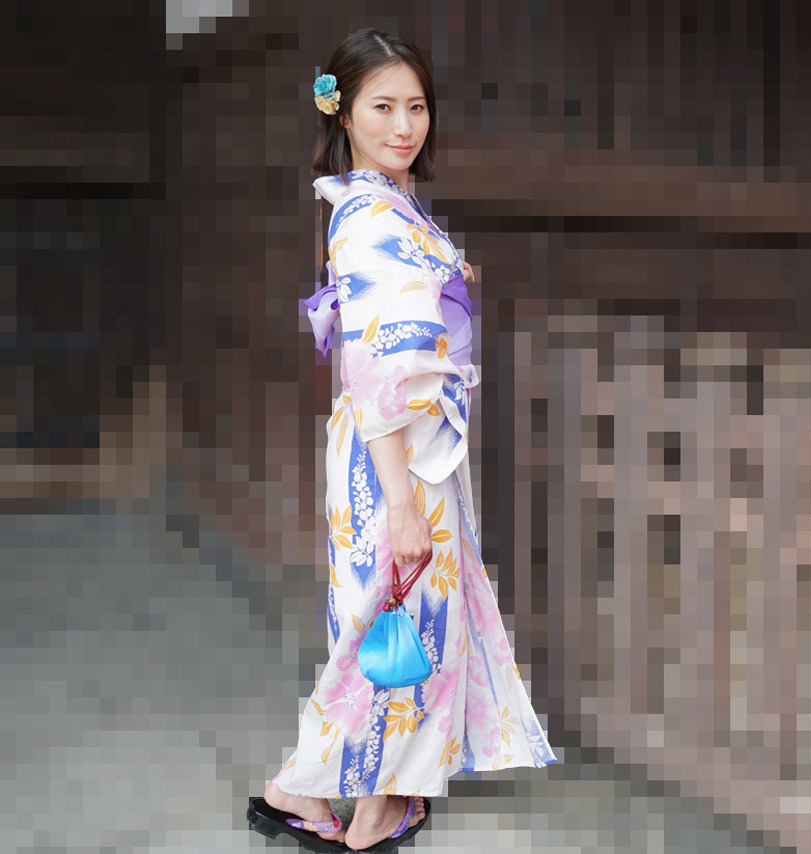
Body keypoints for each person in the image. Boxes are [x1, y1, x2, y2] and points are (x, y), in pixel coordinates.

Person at [246, 28, 558, 853]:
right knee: (403, 625)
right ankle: (369, 806)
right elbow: (376, 368)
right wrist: (401, 500)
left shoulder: (386, 206)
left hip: (407, 449)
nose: (403, 125)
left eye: (416, 107)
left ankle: (315, 788)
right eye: (382, 106)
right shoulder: (368, 219)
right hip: (396, 456)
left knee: (393, 622)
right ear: (342, 112)